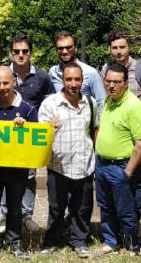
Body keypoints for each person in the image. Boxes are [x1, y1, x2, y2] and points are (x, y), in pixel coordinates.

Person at [38, 62, 96, 259]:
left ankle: (79, 240)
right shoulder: (50, 104)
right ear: (62, 80)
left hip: (84, 164)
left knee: (82, 207)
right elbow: (40, 138)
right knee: (56, 207)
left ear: (82, 81)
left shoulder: (90, 102)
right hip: (58, 166)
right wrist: (49, 129)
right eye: (69, 79)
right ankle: (52, 240)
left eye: (77, 79)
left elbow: (94, 130)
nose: (73, 83)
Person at [0, 66, 36, 259]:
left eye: (5, 83)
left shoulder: (27, 109)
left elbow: (35, 139)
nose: (2, 87)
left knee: (15, 208)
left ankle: (14, 243)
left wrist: (25, 127)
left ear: (14, 82)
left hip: (17, 169)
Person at [1, 34, 55, 233]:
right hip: (6, 138)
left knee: (29, 177)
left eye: (25, 51)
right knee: (5, 175)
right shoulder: (3, 74)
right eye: (16, 51)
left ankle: (26, 215)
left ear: (31, 53)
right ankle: (5, 215)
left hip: (30, 138)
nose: (20, 55)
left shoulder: (42, 77)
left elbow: (49, 106)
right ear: (11, 53)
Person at [100, 31, 141, 231]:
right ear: (110, 49)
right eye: (115, 47)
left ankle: (132, 229)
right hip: (117, 132)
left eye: (122, 47)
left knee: (134, 187)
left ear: (129, 47)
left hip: (137, 134)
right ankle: (118, 231)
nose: (119, 51)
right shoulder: (107, 69)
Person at [95, 62, 141, 255]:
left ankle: (131, 246)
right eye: (108, 81)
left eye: (117, 82)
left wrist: (128, 171)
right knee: (106, 206)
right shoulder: (109, 101)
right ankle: (111, 241)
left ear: (126, 83)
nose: (111, 85)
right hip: (102, 164)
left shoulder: (134, 106)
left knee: (126, 210)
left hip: (122, 167)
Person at [48, 30, 106, 110]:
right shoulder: (53, 72)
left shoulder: (91, 73)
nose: (64, 51)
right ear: (56, 50)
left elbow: (101, 102)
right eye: (60, 48)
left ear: (75, 48)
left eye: (68, 47)